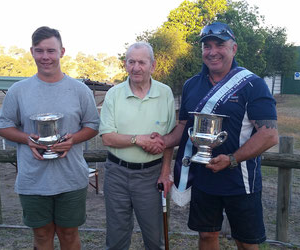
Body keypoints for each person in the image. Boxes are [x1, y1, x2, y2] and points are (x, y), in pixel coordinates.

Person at [160, 22, 279, 250]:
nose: (212, 52)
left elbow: (269, 135)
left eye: (220, 45)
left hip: (241, 181)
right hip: (204, 177)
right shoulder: (191, 85)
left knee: (246, 243)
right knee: (206, 236)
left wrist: (231, 159)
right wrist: (160, 141)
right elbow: (184, 126)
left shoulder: (253, 84)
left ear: (233, 48)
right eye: (207, 46)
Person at [0, 26, 100, 249]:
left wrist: (74, 139)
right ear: (32, 52)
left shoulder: (79, 90)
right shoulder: (18, 90)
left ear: (62, 52)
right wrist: (27, 139)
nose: (45, 57)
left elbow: (92, 125)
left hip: (71, 177)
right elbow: (3, 127)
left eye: (51, 51)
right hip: (33, 179)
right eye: (40, 51)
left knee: (69, 233)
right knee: (42, 236)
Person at [99, 42, 176, 250]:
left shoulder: (165, 93)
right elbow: (107, 137)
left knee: (154, 239)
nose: (136, 67)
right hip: (117, 175)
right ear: (125, 64)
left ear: (153, 65)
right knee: (116, 239)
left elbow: (169, 139)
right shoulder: (114, 94)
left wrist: (165, 172)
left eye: (142, 62)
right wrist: (138, 139)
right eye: (131, 62)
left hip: (151, 175)